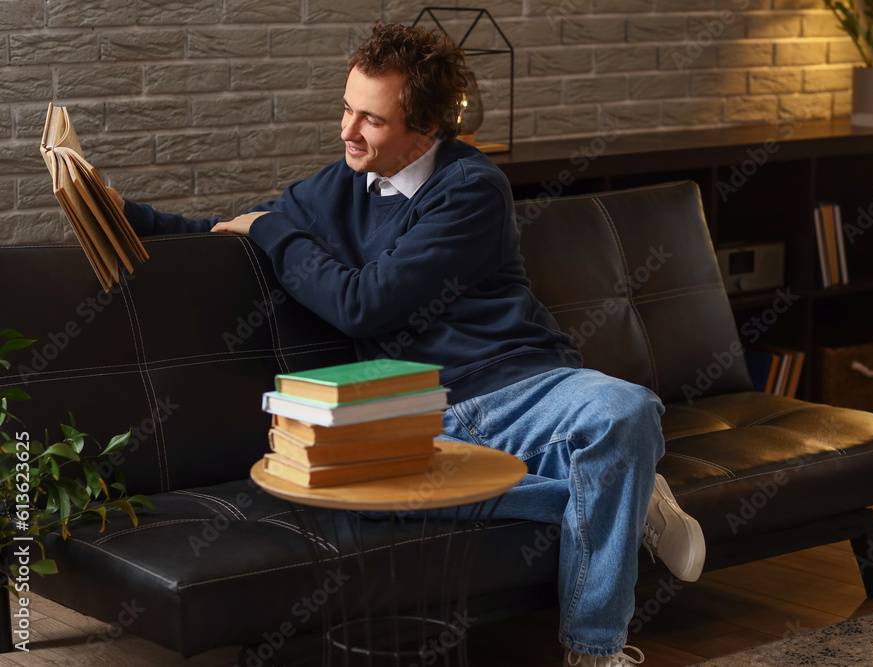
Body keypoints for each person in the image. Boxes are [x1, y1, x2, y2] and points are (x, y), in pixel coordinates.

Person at [110, 20, 706, 667]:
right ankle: (626, 488)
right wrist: (118, 210)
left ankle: (593, 649)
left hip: (521, 388)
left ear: (424, 130)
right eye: (346, 108)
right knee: (362, 502)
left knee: (626, 410)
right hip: (416, 412)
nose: (347, 131)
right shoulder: (337, 184)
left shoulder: (472, 189)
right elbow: (220, 230)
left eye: (371, 119)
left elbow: (364, 300)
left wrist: (276, 230)